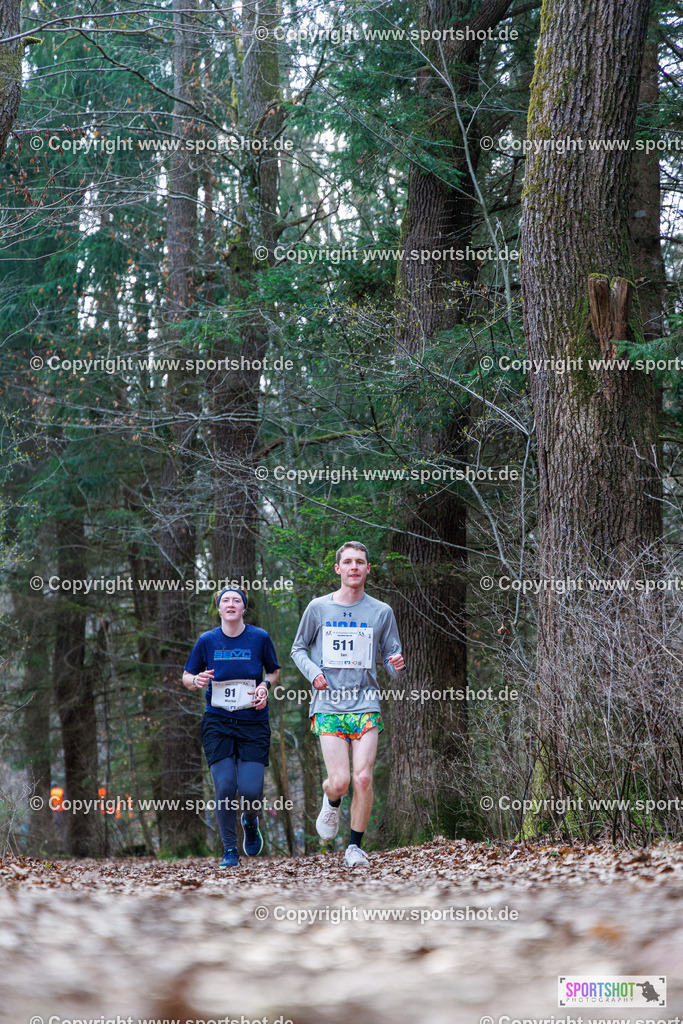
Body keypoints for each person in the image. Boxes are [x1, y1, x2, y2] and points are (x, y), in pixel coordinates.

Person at [291, 541, 404, 868]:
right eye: (348, 562)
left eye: (360, 562)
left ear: (368, 569)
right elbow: (298, 649)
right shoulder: (318, 608)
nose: (354, 567)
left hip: (366, 702)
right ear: (338, 569)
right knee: (339, 781)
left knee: (364, 778)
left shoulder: (382, 612)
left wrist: (396, 665)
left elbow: (392, 663)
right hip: (328, 704)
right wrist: (314, 674)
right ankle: (332, 798)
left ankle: (354, 847)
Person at [183, 586, 280, 867]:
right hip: (218, 721)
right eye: (225, 600)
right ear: (219, 608)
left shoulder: (259, 637)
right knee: (225, 785)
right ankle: (229, 850)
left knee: (250, 790)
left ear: (243, 608)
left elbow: (274, 671)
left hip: (253, 721)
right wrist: (195, 681)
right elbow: (187, 675)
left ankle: (250, 821)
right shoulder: (207, 640)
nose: (231, 604)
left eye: (236, 600)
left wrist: (265, 686)